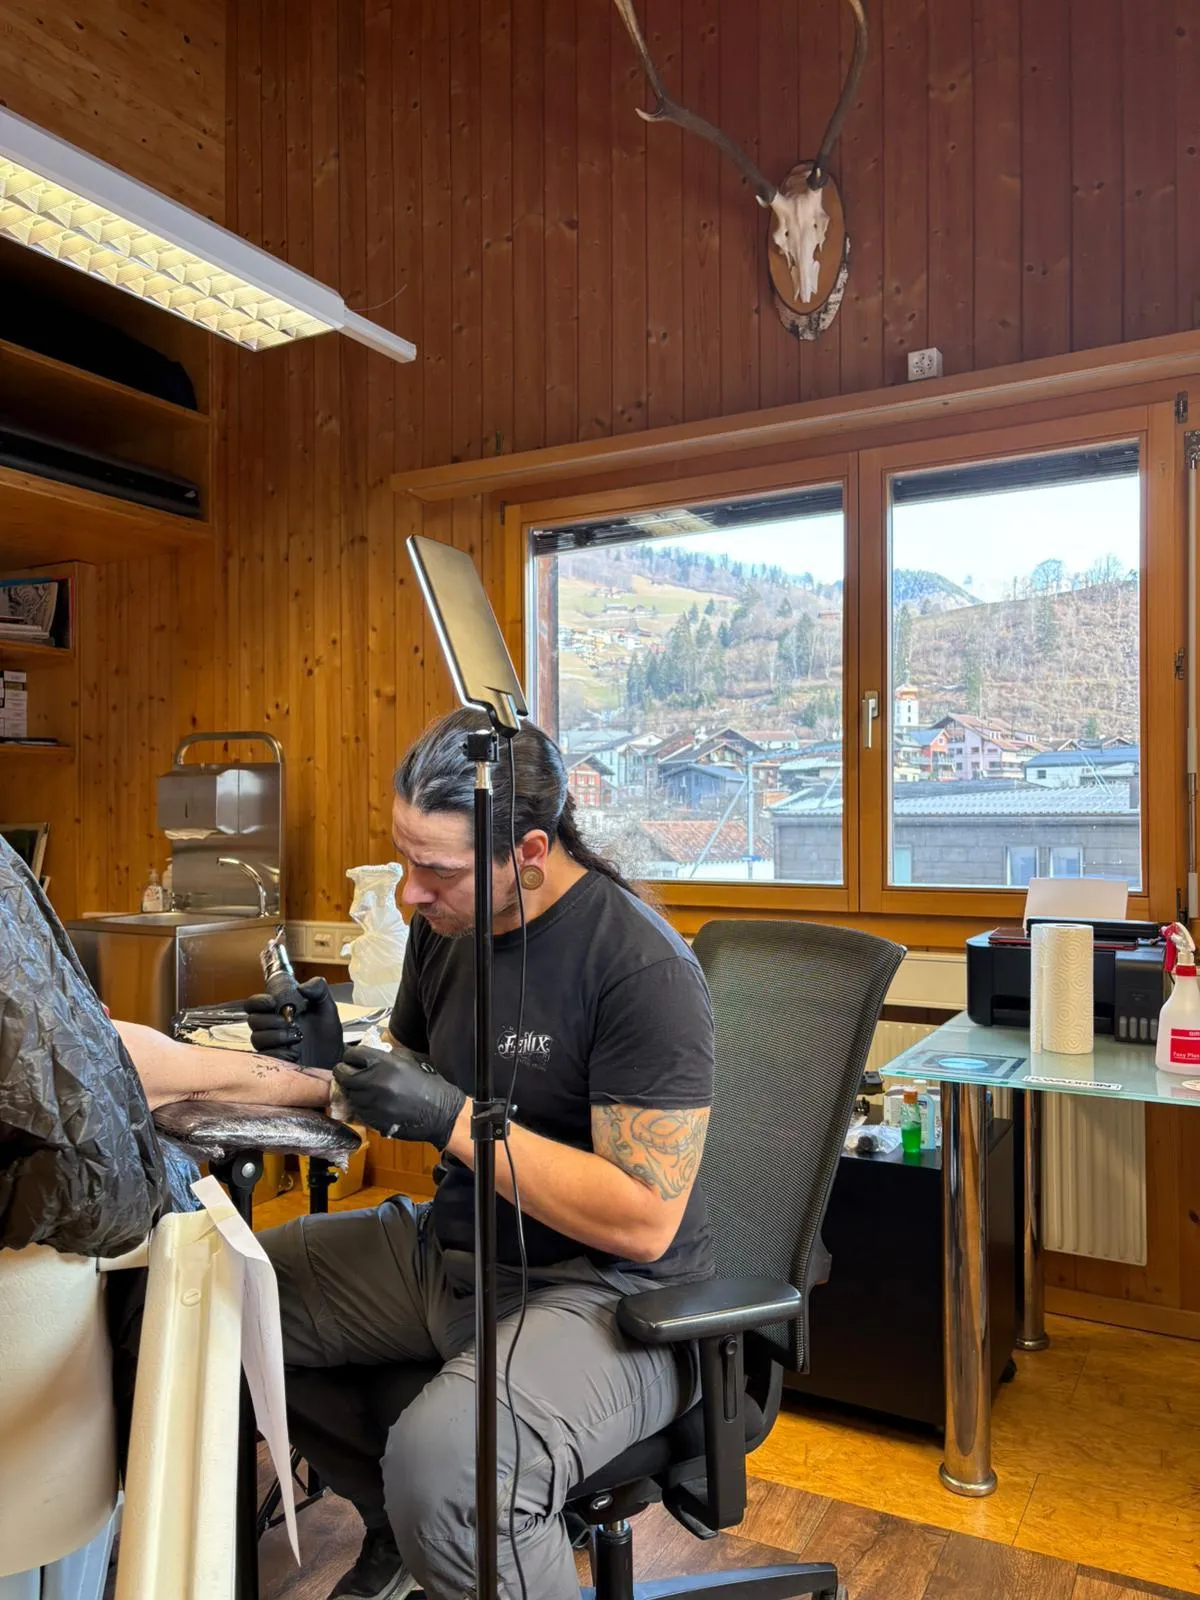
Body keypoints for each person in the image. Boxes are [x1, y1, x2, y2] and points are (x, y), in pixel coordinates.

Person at [251, 709, 716, 1600]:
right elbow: (419, 1073)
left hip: (606, 1295)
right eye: (405, 859)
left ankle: (442, 1526)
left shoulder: (639, 970)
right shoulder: (448, 930)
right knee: (220, 1296)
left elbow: (643, 1220)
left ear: (529, 854)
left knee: (454, 1474)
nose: (410, 895)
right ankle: (402, 1535)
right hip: (457, 1248)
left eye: (438, 871)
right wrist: (331, 1060)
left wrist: (457, 1119)